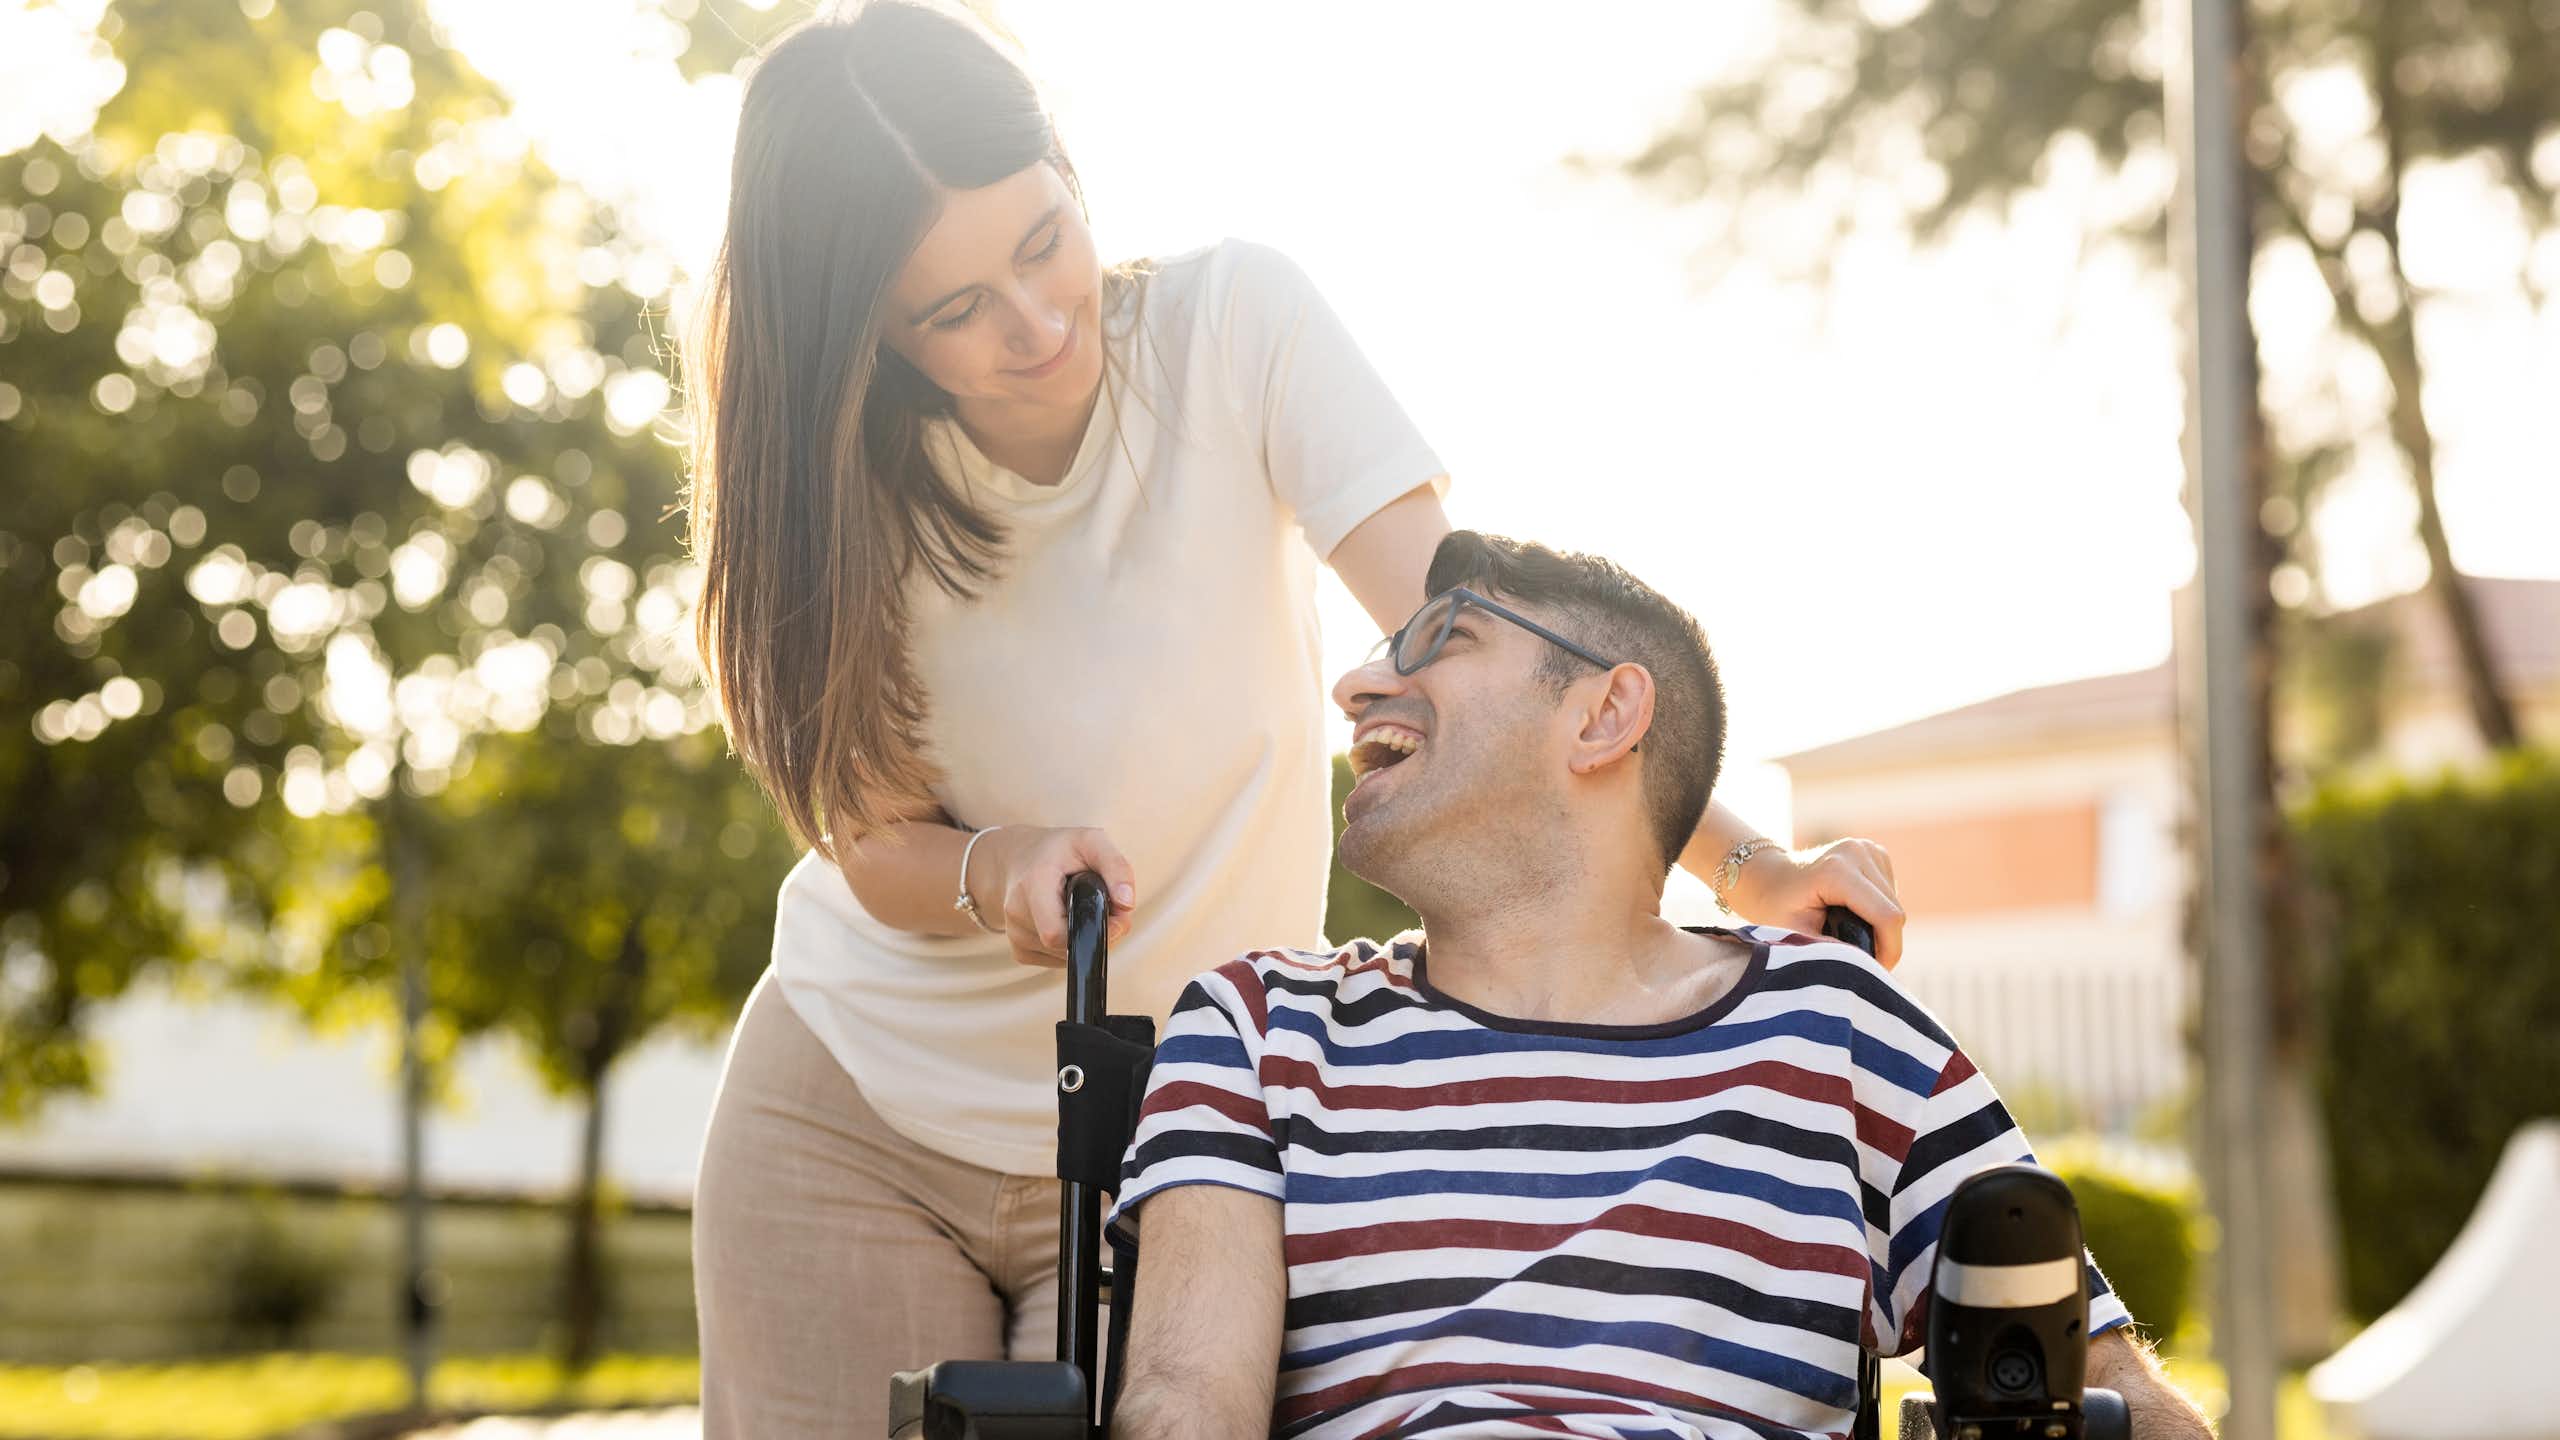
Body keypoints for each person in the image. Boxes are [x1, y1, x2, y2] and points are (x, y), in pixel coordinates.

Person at [682, 5, 1907, 1434]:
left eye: (1040, 239)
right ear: (868, 336)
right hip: (855, 1122)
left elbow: (1487, 659)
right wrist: (992, 864)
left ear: (1070, 172)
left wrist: (1750, 872)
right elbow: (860, 830)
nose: (1035, 321)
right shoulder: (832, 487)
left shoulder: (1234, 328)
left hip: (1189, 1134)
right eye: (953, 311)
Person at [1106, 532, 2214, 1440]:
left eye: (1441, 640)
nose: (1354, 685)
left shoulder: (1834, 1031)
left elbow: (2120, 1400)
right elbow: (1186, 1404)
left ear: (1602, 716)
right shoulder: (1257, 1028)